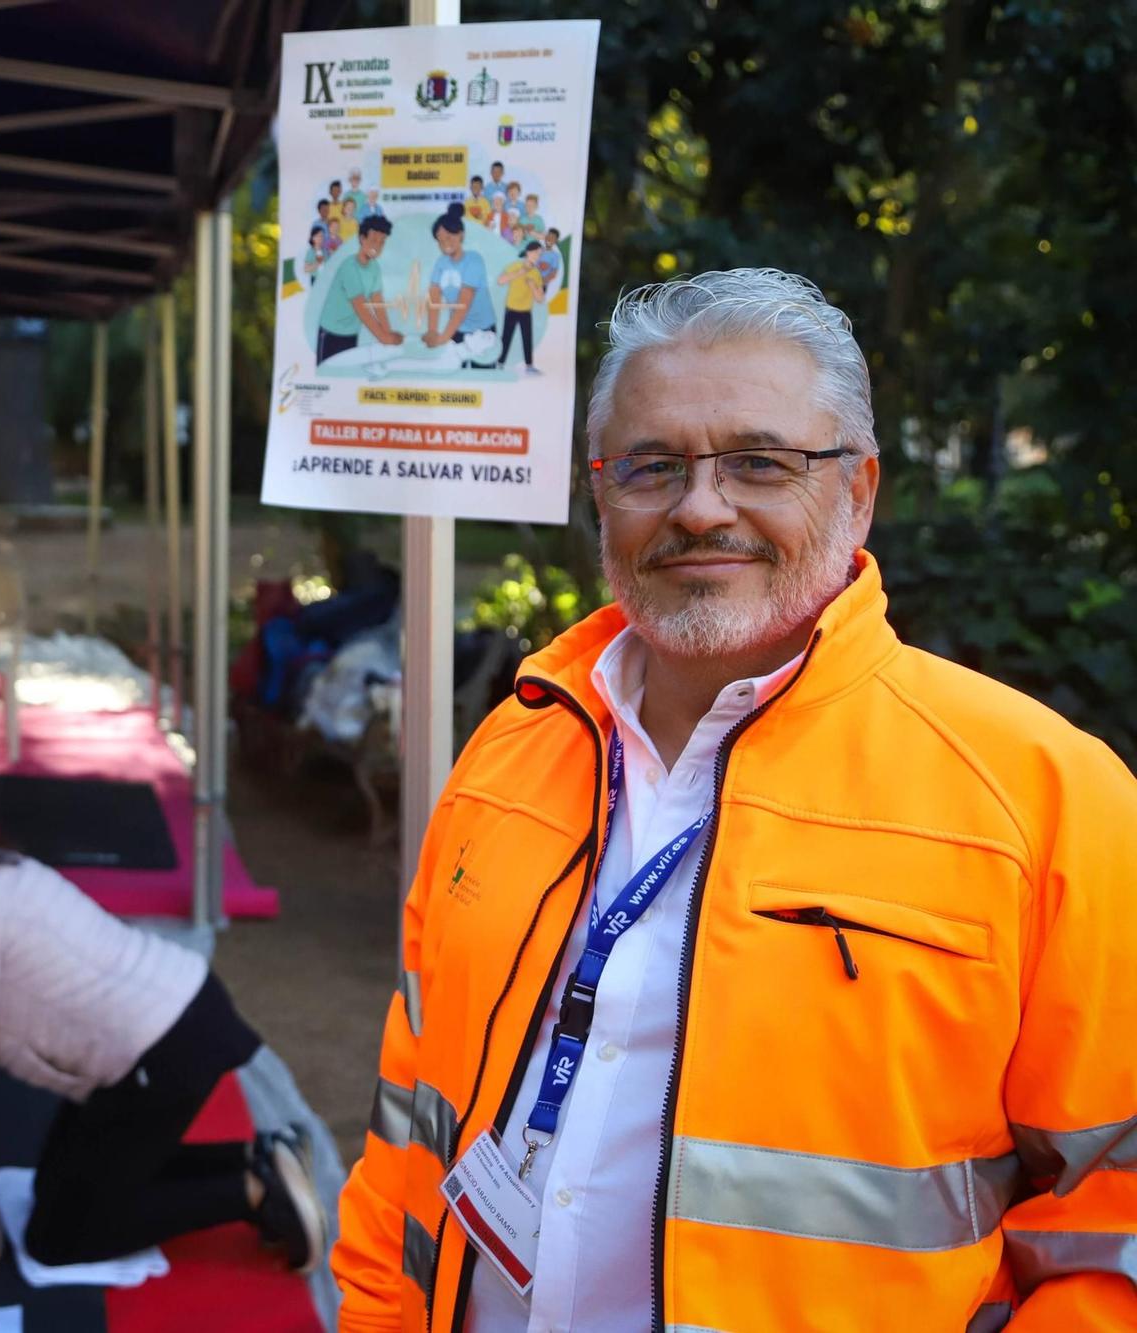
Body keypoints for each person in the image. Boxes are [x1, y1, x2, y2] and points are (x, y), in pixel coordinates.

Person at [333, 268, 1137, 1332]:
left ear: (857, 489)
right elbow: (409, 1130)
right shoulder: (509, 751)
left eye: (759, 462)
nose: (699, 506)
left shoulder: (1043, 797)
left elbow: (1111, 1235)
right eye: (651, 465)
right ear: (600, 491)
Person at [0, 783, 329, 1273]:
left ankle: (254, 1192)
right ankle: (257, 1155)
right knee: (58, 1187)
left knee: (62, 1236)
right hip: (168, 1021)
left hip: (159, 1052)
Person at [315, 214, 400, 366]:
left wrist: (388, 333)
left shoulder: (374, 268)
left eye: (382, 242)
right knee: (328, 375)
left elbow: (377, 302)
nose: (377, 246)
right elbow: (360, 306)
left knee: (346, 377)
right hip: (331, 333)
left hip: (351, 333)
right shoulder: (349, 267)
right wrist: (383, 337)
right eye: (374, 240)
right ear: (362, 238)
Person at [423, 202, 497, 367]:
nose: (445, 244)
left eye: (449, 237)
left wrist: (442, 338)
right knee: (457, 374)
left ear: (461, 235)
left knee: (483, 377)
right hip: (457, 330)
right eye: (440, 240)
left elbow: (463, 304)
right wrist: (432, 331)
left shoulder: (474, 260)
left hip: (482, 331)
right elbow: (433, 300)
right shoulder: (440, 264)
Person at [495, 242, 546, 375]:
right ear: (528, 252)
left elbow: (540, 299)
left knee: (527, 337)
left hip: (525, 311)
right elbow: (500, 280)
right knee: (506, 337)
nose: (537, 256)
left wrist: (532, 286)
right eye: (535, 253)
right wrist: (520, 273)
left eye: (539, 254)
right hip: (511, 308)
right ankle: (500, 364)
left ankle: (529, 366)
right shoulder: (515, 265)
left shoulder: (536, 273)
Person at [534, 227, 564, 295]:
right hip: (531, 279)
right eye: (548, 236)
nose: (549, 239)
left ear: (556, 241)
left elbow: (553, 274)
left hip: (541, 285)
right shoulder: (538, 250)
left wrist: (542, 282)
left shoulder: (555, 255)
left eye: (552, 238)